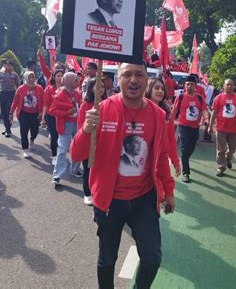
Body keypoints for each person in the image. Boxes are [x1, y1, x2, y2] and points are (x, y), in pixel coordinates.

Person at [70, 63, 175, 289]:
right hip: (109, 200)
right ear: (118, 80)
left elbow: (162, 155)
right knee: (107, 259)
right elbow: (76, 154)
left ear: (147, 79)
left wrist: (169, 191)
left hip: (144, 198)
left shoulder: (157, 115)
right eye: (127, 74)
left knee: (152, 258)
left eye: (139, 74)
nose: (133, 80)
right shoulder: (102, 110)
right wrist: (86, 130)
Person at [207, 79, 236, 176]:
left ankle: (228, 158)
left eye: (231, 85)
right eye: (227, 84)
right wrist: (210, 126)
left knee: (232, 149)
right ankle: (221, 167)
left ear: (234, 87)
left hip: (232, 129)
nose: (229, 86)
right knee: (221, 150)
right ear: (223, 86)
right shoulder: (218, 98)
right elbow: (214, 113)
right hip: (220, 129)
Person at [173, 75, 209, 183]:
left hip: (195, 127)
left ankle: (185, 159)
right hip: (183, 126)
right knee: (185, 148)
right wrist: (168, 122)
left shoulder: (199, 98)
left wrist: (206, 119)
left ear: (195, 86)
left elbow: (204, 110)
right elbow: (174, 111)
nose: (189, 86)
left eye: (192, 84)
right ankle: (186, 173)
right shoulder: (180, 97)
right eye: (187, 84)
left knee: (191, 148)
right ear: (185, 85)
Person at [49, 72, 82, 186]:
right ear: (69, 81)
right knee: (62, 149)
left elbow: (80, 106)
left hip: (77, 123)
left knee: (78, 147)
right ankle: (57, 175)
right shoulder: (60, 94)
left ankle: (74, 169)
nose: (78, 82)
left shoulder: (77, 93)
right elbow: (52, 111)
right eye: (75, 80)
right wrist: (66, 113)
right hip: (66, 124)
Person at [78, 77, 107, 205]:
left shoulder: (107, 103)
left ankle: (99, 191)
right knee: (88, 168)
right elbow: (80, 125)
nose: (101, 89)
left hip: (103, 143)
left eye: (102, 87)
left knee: (101, 170)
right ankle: (87, 192)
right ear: (91, 88)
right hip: (89, 143)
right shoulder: (85, 105)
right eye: (98, 86)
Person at [145, 77, 181, 177]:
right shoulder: (140, 110)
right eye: (156, 88)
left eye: (162, 88)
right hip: (144, 159)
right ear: (148, 89)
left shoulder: (166, 112)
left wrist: (175, 161)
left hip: (161, 160)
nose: (160, 91)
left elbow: (170, 138)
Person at [9, 71, 44, 158]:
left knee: (35, 131)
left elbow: (43, 101)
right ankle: (25, 149)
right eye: (29, 77)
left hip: (35, 114)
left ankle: (32, 139)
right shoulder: (21, 89)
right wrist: (11, 112)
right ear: (26, 78)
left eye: (33, 77)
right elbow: (15, 101)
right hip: (24, 113)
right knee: (24, 132)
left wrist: (41, 112)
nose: (31, 79)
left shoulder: (39, 88)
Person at [0, 59, 20, 137]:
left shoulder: (14, 75)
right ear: (4, 65)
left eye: (9, 65)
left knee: (9, 111)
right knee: (4, 112)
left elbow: (19, 87)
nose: (8, 66)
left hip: (11, 94)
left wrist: (20, 97)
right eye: (6, 65)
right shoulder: (0, 74)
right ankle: (6, 127)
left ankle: (8, 129)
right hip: (2, 94)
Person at [41, 69, 65, 165]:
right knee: (54, 137)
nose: (60, 77)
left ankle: (60, 155)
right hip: (51, 116)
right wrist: (43, 118)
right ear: (54, 77)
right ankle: (54, 156)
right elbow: (46, 105)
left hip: (63, 116)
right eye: (58, 75)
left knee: (62, 137)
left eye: (61, 75)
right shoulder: (49, 89)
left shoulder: (66, 89)